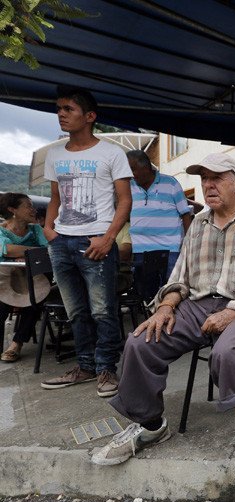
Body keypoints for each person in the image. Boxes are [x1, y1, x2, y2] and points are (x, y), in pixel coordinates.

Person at [92, 153, 235, 474]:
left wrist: (231, 313)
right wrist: (165, 307)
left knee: (228, 350)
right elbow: (180, 275)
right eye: (204, 178)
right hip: (197, 305)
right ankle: (150, 425)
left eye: (217, 178)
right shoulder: (198, 225)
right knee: (140, 341)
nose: (208, 185)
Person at [40, 86, 132, 398]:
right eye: (59, 109)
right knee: (76, 311)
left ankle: (106, 367)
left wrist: (108, 238)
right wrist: (48, 229)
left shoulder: (112, 153)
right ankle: (85, 366)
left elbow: (124, 200)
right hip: (61, 241)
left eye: (68, 109)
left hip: (96, 241)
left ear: (90, 116)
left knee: (103, 310)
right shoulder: (55, 154)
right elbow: (55, 198)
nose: (61, 114)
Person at [126, 150, 193, 300]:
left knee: (171, 291)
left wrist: (188, 243)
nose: (130, 174)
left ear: (146, 167)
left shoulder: (171, 183)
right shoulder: (128, 186)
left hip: (169, 249)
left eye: (133, 169)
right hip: (140, 249)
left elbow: (185, 214)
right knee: (145, 295)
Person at [0, 193, 48, 363]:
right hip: (6, 280)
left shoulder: (36, 230)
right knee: (1, 305)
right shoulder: (1, 230)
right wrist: (32, 253)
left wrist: (22, 254)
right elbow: (6, 250)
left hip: (34, 279)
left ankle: (17, 344)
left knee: (34, 302)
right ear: (13, 210)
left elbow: (47, 250)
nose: (33, 210)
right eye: (28, 206)